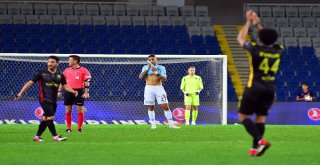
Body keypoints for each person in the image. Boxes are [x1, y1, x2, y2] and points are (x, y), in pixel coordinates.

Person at [237, 10, 285, 156]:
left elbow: (240, 39)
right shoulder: (280, 50)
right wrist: (258, 26)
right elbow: (269, 38)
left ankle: (260, 140)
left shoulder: (256, 49)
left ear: (261, 39)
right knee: (260, 118)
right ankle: (254, 149)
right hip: (270, 89)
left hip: (254, 87)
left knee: (243, 117)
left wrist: (248, 22)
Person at [15, 56, 78, 142]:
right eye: (49, 62)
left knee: (45, 119)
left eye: (52, 62)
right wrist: (20, 93)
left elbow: (65, 86)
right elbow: (30, 82)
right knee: (50, 117)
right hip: (44, 99)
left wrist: (73, 91)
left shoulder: (60, 75)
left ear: (57, 64)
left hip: (54, 100)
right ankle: (55, 137)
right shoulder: (41, 73)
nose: (50, 64)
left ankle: (37, 137)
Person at [139, 55, 180, 129]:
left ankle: (171, 124)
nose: (151, 61)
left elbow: (164, 78)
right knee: (150, 107)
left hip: (159, 88)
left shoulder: (161, 67)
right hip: (148, 88)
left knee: (165, 106)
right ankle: (153, 125)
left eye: (153, 59)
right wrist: (147, 69)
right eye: (150, 60)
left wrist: (156, 72)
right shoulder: (145, 67)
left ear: (156, 60)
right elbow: (141, 77)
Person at [58, 55, 91, 133]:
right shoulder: (66, 70)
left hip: (79, 91)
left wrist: (86, 92)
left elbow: (87, 82)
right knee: (68, 110)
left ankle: (79, 128)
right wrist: (59, 91)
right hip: (68, 91)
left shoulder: (84, 70)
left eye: (70, 60)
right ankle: (69, 128)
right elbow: (62, 82)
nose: (68, 61)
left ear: (75, 61)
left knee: (80, 110)